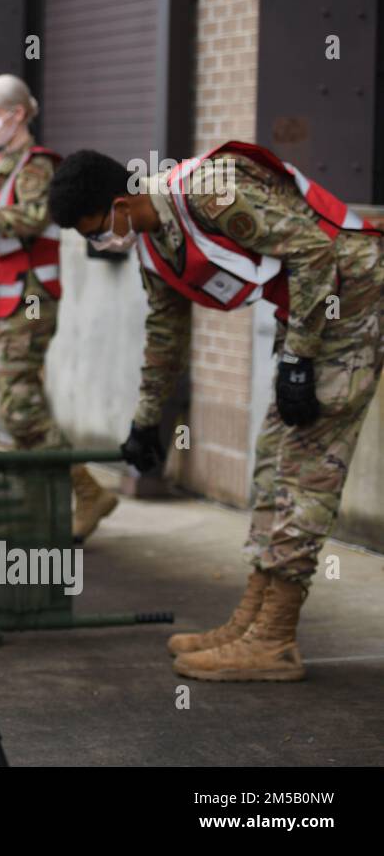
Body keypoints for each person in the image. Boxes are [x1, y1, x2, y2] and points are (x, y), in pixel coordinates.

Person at [48, 142, 384, 681]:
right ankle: (253, 619)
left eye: (95, 229)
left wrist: (299, 356)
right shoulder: (153, 245)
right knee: (274, 458)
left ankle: (275, 639)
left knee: (307, 469)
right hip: (313, 314)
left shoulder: (208, 191)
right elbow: (165, 331)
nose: (98, 241)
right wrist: (145, 419)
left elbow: (315, 250)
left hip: (354, 298)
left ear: (121, 201)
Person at [0, 74, 119, 540]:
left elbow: (36, 215)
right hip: (6, 295)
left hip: (30, 298)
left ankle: (86, 492)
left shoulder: (37, 165)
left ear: (17, 115)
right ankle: (44, 506)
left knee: (21, 409)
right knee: (22, 404)